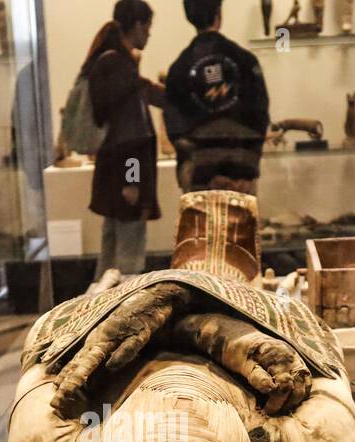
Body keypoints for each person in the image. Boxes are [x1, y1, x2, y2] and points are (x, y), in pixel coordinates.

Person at [81, 1, 164, 278]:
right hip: (126, 178)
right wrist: (132, 180)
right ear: (138, 25)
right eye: (149, 27)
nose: (150, 34)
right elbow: (129, 135)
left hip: (112, 174)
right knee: (129, 260)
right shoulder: (119, 67)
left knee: (110, 252)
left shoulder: (107, 61)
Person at [165, 0, 270, 194]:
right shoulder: (246, 60)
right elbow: (260, 115)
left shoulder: (179, 67)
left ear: (189, 16)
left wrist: (202, 169)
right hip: (241, 177)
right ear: (218, 13)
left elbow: (174, 128)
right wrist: (245, 170)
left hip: (199, 178)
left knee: (201, 225)